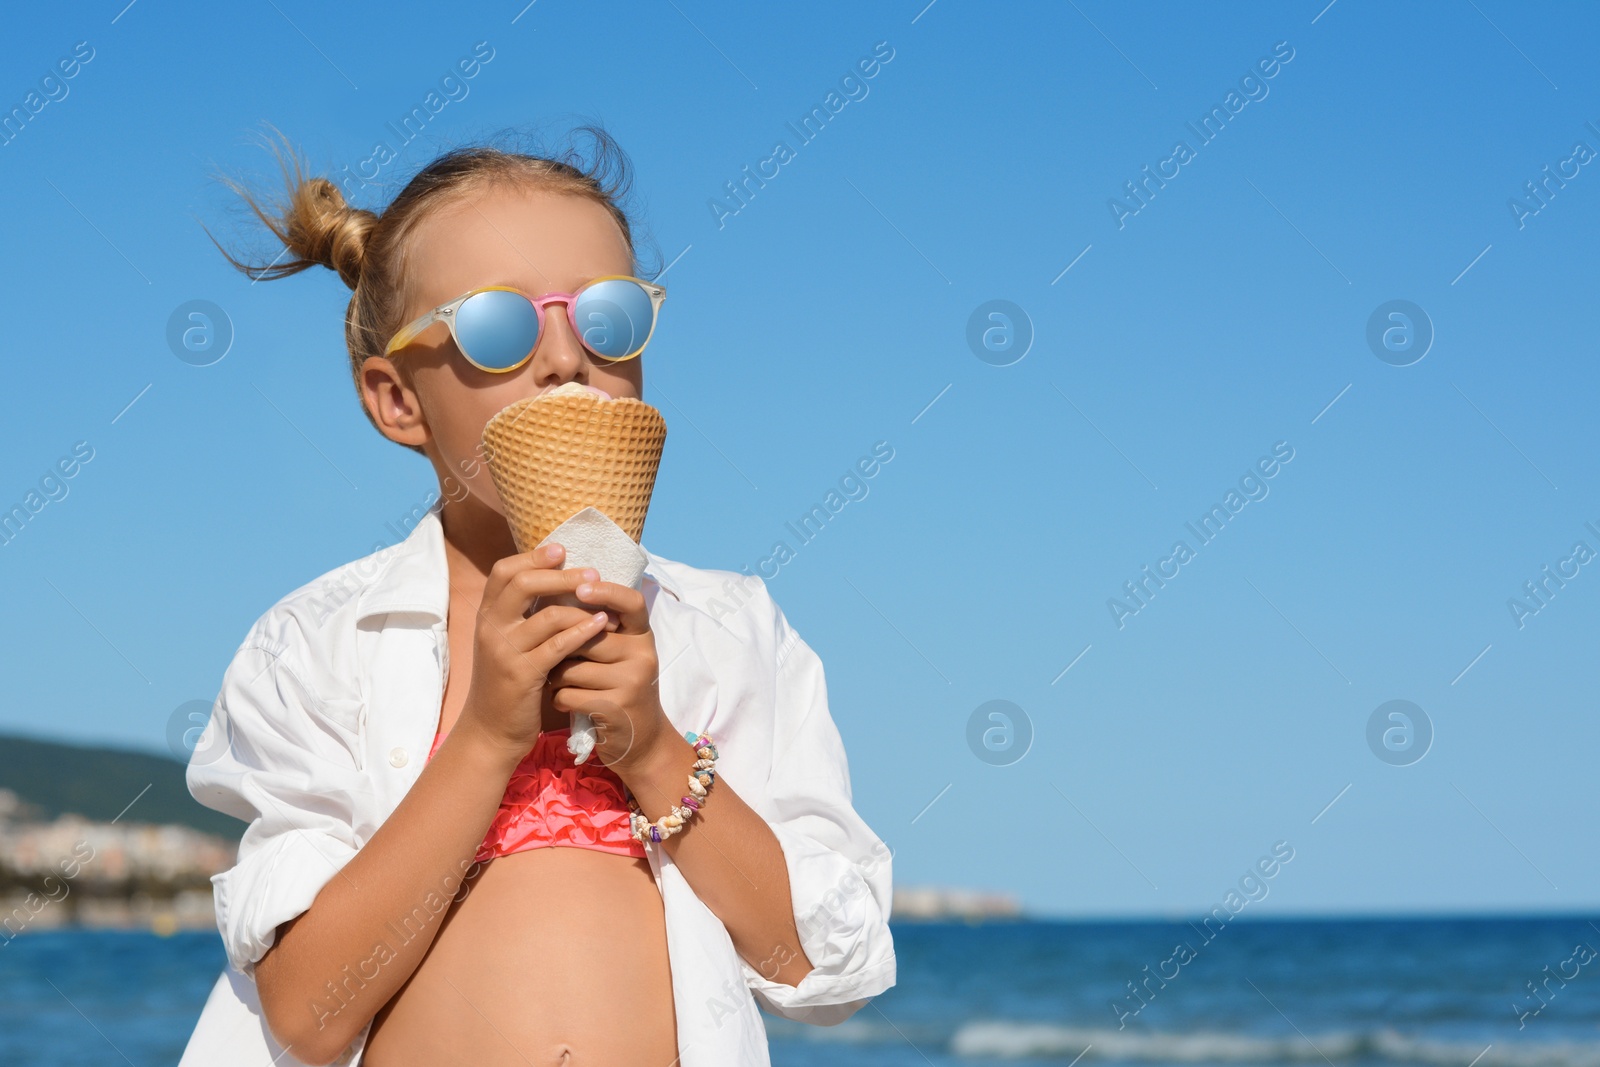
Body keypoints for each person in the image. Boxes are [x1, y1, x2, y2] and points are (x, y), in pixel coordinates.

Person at [178, 122, 896, 1067]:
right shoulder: (320, 644)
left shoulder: (725, 631)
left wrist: (657, 746)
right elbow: (310, 1013)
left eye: (607, 316)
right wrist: (483, 738)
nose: (565, 358)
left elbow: (816, 969)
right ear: (398, 400)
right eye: (498, 327)